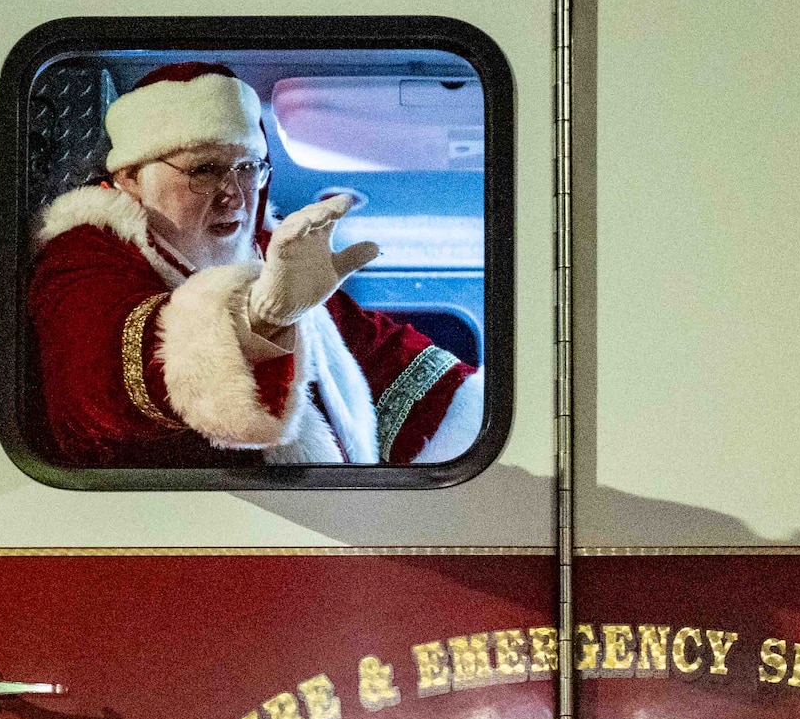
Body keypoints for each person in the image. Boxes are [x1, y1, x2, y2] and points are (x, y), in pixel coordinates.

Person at [28, 61, 482, 468]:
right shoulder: (87, 253)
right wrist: (257, 322)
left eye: (248, 167)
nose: (234, 192)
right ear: (130, 177)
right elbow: (100, 386)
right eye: (204, 169)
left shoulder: (265, 249)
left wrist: (492, 411)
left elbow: (375, 348)